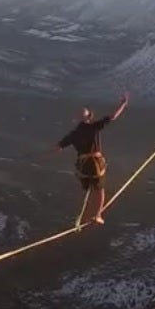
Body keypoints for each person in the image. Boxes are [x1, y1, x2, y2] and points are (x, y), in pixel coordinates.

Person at [50, 92, 130, 227]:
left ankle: (88, 215)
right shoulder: (94, 127)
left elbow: (58, 147)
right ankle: (97, 215)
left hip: (83, 167)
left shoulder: (74, 134)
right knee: (99, 190)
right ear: (89, 116)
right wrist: (123, 104)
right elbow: (113, 117)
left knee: (90, 189)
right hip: (94, 165)